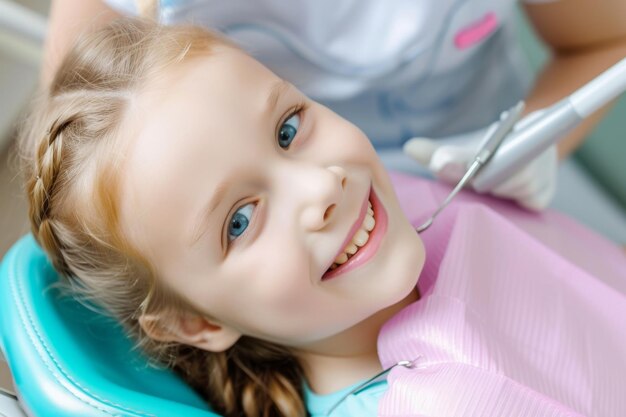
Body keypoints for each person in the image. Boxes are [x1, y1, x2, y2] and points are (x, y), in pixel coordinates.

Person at [19, 18, 626, 417]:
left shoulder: (402, 205)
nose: (321, 186)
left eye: (287, 129)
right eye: (240, 220)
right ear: (196, 323)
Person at [41, 0, 626, 215]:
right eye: (238, 223)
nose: (324, 199)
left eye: (293, 126)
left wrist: (532, 139)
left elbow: (603, 41)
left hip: (504, 182)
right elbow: (78, 198)